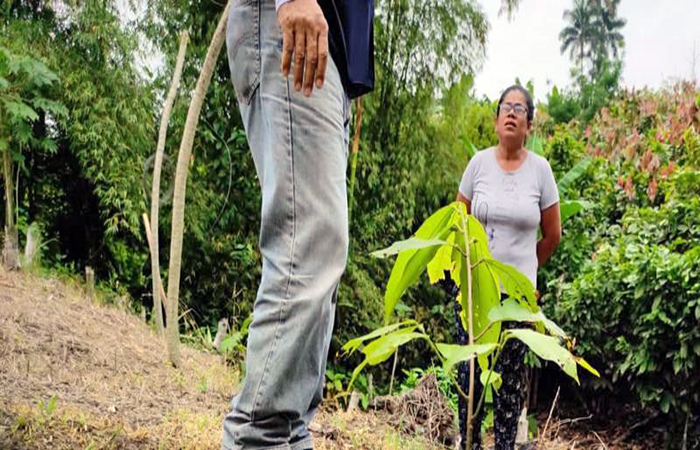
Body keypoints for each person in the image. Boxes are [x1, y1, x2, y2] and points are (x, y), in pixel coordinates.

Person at [221, 1, 373, 449]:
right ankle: (257, 437)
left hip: (330, 51)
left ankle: (282, 434)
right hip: (296, 22)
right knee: (306, 249)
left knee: (320, 257)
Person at [453, 85, 561, 450]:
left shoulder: (540, 171)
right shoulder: (478, 165)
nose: (512, 113)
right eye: (506, 107)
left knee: (509, 383)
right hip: (473, 293)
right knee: (469, 376)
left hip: (517, 298)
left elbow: (552, 235)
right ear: (496, 118)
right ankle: (468, 443)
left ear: (529, 124)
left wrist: (525, 271)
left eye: (520, 109)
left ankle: (503, 446)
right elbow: (458, 222)